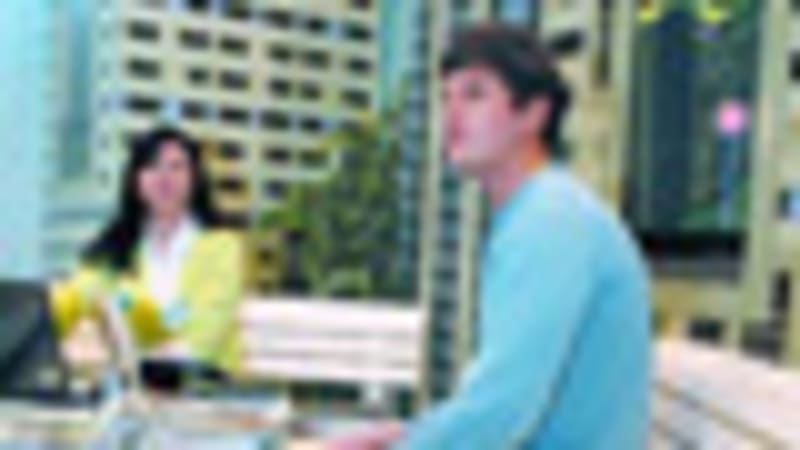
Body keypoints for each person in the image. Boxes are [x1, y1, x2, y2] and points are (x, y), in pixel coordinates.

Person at [329, 24, 651, 450]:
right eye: (446, 97)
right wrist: (408, 436)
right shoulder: (539, 213)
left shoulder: (550, 222)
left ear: (533, 114)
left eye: (474, 95)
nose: (452, 116)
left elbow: (502, 411)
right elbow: (498, 401)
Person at [51, 126, 244, 374]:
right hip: (132, 381)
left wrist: (163, 361)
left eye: (177, 167)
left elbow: (209, 324)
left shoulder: (221, 247)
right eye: (152, 166)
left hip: (199, 381)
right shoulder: (118, 247)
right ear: (136, 180)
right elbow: (81, 293)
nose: (164, 177)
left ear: (195, 179)